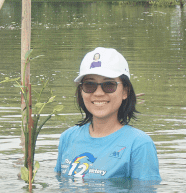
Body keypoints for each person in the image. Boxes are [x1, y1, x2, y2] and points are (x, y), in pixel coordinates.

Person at [56, 47, 160, 181]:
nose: (98, 93)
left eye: (109, 85)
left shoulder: (139, 145)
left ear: (125, 91)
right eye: (89, 85)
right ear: (81, 91)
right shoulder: (68, 137)